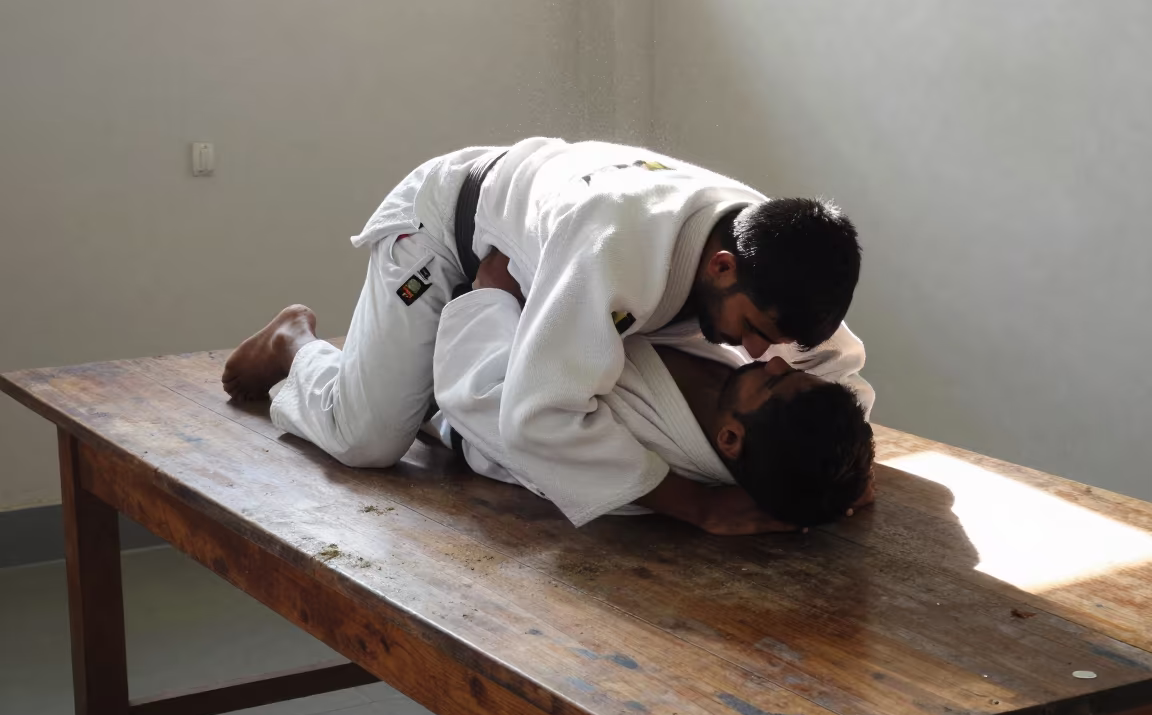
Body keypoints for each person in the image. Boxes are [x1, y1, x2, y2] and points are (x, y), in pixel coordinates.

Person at [222, 137, 871, 533]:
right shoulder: (617, 253)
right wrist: (697, 509)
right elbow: (535, 418)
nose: (759, 355)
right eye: (753, 332)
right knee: (366, 439)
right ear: (721, 267)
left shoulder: (776, 252)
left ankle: (407, 379)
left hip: (535, 261)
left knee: (441, 382)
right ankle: (297, 346)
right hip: (445, 233)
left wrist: (837, 474)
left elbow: (836, 366)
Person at [429, 251, 875, 533]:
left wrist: (488, 297)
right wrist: (841, 475)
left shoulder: (638, 467)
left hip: (459, 362)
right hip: (542, 312)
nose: (775, 361)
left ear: (730, 439)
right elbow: (839, 364)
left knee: (360, 437)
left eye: (773, 380)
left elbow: (486, 399)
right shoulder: (766, 424)